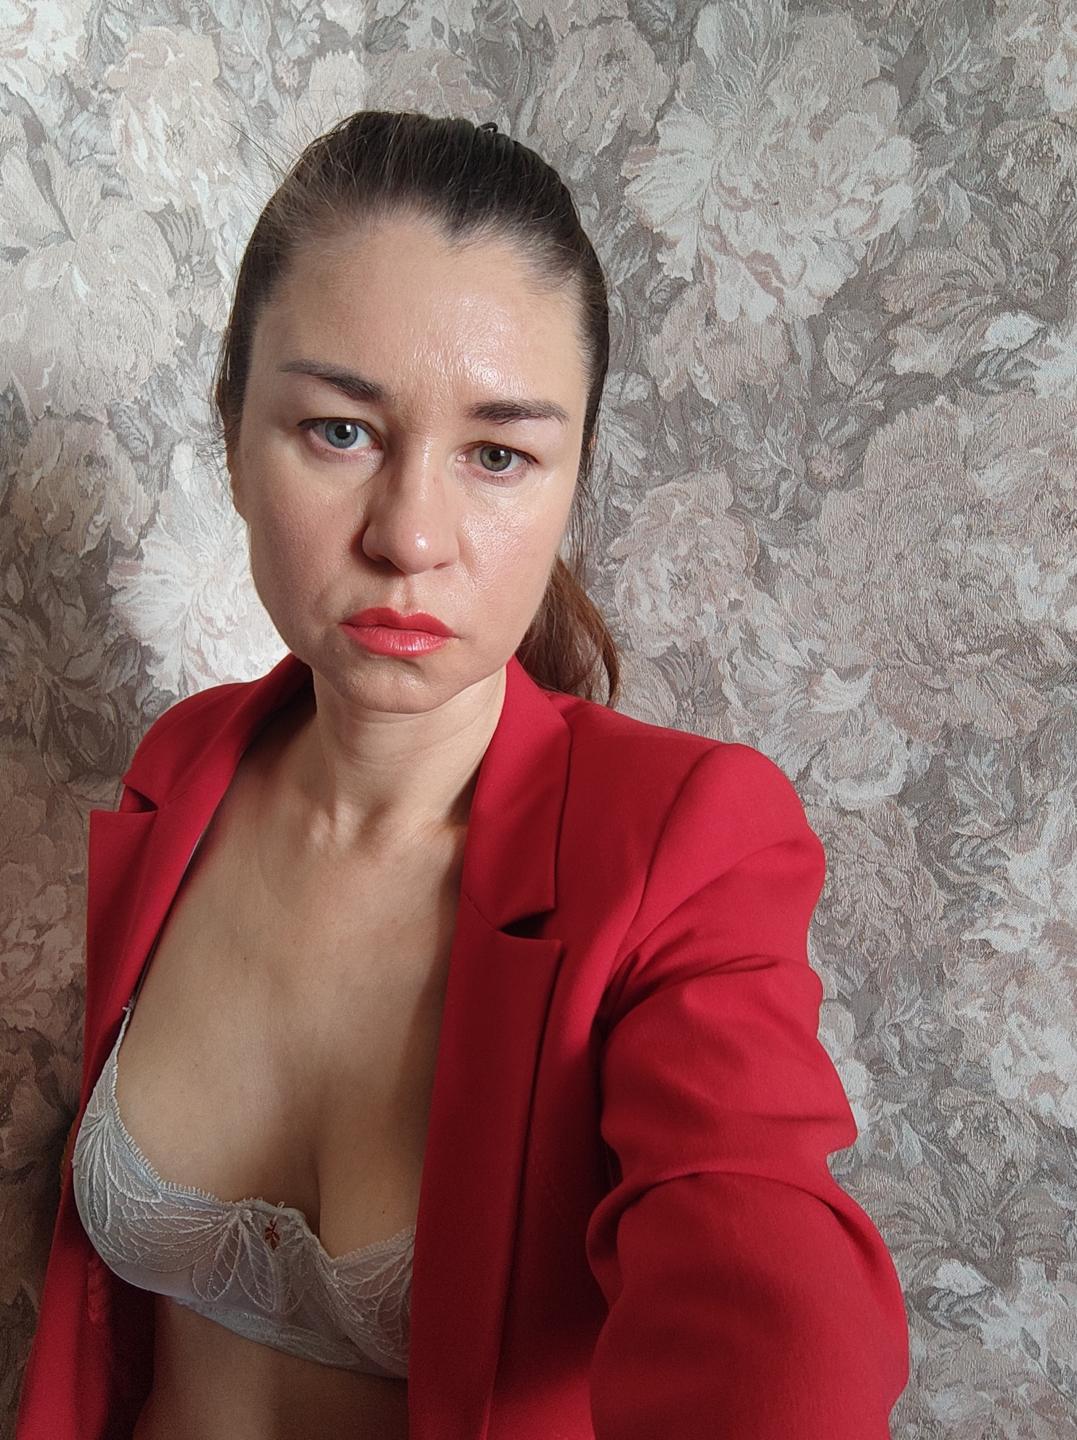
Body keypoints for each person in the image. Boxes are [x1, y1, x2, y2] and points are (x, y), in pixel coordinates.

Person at [15, 111, 910, 1439]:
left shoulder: (680, 843)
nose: (411, 536)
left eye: (498, 455)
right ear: (232, 438)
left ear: (569, 483)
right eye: (339, 430)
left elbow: (768, 1300)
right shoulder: (183, 766)